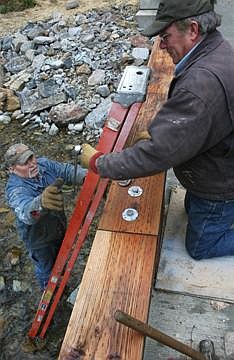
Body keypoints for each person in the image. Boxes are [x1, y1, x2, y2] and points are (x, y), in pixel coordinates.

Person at [80, 0, 234, 260]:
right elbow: (196, 118)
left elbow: (157, 155)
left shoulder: (199, 84)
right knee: (191, 206)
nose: (161, 46)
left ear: (193, 29)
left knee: (199, 247)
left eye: (165, 37)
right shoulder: (216, 48)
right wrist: (161, 129)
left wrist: (99, 163)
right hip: (218, 162)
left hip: (221, 184)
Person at [5, 143, 87, 290]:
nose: (32, 164)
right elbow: (26, 213)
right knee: (46, 269)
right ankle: (48, 293)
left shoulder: (44, 165)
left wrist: (87, 177)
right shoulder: (16, 189)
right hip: (39, 240)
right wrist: (41, 203)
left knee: (61, 258)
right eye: (25, 163)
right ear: (11, 169)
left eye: (31, 158)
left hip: (58, 226)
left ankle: (61, 280)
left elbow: (66, 171)